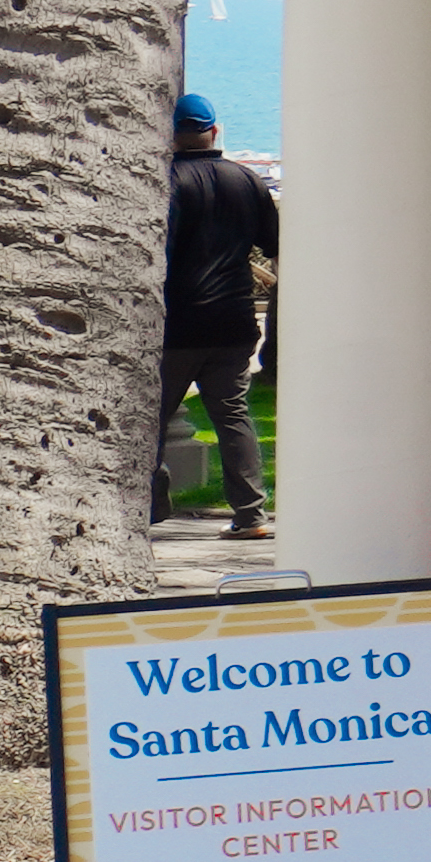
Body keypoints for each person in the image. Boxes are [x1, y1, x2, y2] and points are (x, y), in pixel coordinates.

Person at [162, 94, 278, 539]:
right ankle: (250, 514)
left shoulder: (167, 181)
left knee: (152, 418)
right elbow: (273, 242)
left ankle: (149, 506)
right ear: (215, 131)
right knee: (232, 414)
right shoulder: (246, 180)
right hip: (233, 320)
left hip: (177, 321)